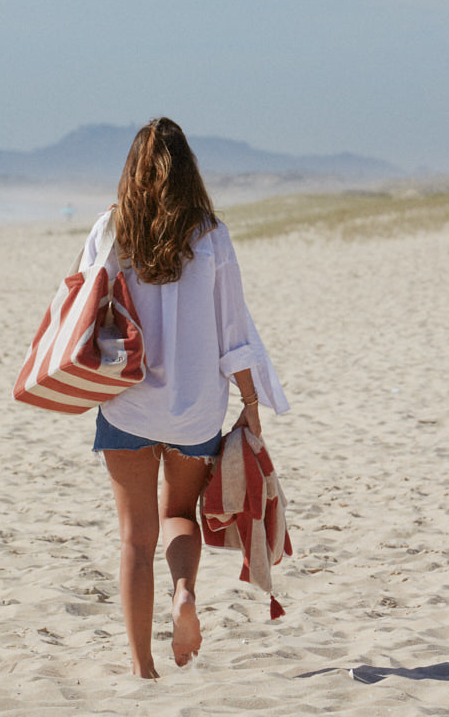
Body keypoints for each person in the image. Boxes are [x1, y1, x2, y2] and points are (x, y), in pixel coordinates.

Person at [78, 117, 288, 678]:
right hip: (195, 409)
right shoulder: (211, 236)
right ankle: (185, 595)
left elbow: (81, 307)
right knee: (179, 514)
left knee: (134, 538)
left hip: (126, 400)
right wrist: (250, 403)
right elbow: (234, 331)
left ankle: (144, 667)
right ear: (188, 171)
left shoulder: (110, 230)